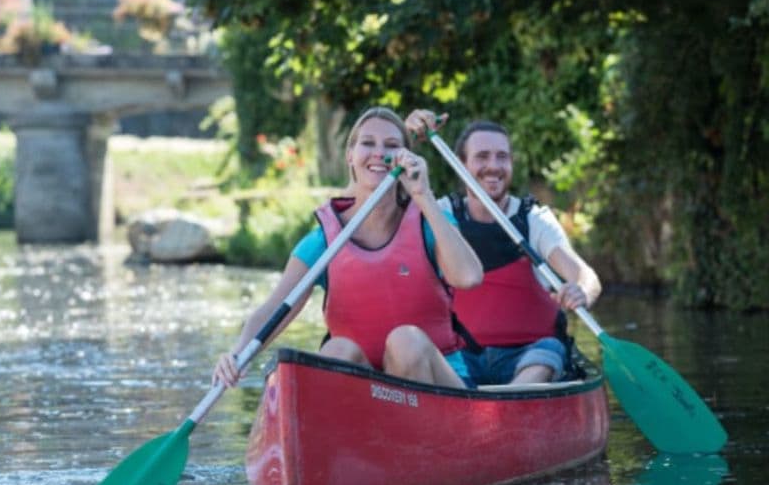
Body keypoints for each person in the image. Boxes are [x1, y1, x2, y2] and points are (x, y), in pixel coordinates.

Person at [214, 107, 483, 389]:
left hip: (441, 387)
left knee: (405, 341)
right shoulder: (323, 242)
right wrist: (237, 355)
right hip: (368, 392)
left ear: (406, 157)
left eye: (391, 145)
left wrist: (423, 195)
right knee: (337, 350)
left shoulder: (430, 220)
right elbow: (274, 307)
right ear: (350, 156)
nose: (379, 153)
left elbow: (469, 277)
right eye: (368, 143)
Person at [405, 109, 602, 386]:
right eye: (482, 156)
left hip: (529, 356)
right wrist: (408, 138)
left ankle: (508, 400)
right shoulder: (440, 213)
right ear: (460, 164)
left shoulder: (533, 219)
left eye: (502, 157)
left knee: (550, 351)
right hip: (460, 360)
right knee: (415, 349)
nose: (494, 166)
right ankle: (473, 402)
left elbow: (585, 276)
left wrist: (581, 291)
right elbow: (391, 200)